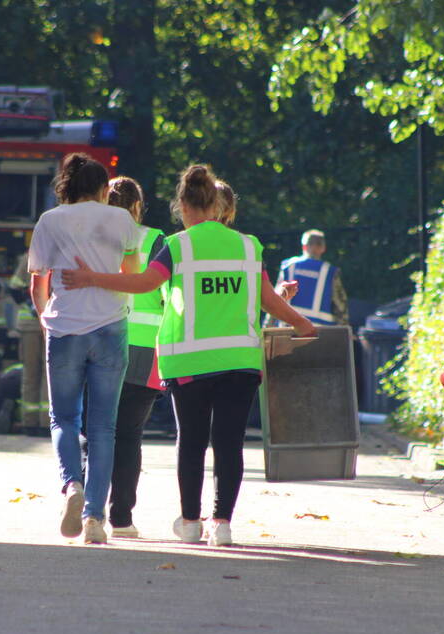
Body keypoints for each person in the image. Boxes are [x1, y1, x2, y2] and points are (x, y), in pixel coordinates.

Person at [62, 165, 316, 547]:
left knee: (192, 442)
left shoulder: (177, 245)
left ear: (181, 205)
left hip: (190, 362)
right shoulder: (249, 245)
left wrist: (92, 279)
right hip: (240, 361)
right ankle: (224, 524)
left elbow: (144, 283)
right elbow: (266, 298)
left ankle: (192, 521)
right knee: (230, 443)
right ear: (216, 205)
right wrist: (302, 324)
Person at [28, 152, 140, 545]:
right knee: (103, 427)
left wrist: (46, 320)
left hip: (65, 329)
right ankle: (95, 519)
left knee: (63, 419)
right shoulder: (121, 219)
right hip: (111, 327)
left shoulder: (49, 220)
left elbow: (37, 284)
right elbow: (132, 276)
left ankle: (71, 485)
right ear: (102, 189)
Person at [104, 176, 165, 538]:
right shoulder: (156, 240)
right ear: (138, 207)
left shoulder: (92, 237)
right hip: (144, 347)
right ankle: (122, 519)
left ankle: (88, 505)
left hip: (100, 341)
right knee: (129, 435)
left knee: (95, 432)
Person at [273, 229, 348, 326]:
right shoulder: (330, 271)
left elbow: (275, 299)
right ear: (323, 248)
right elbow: (341, 306)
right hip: (318, 331)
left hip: (288, 328)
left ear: (304, 246)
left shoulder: (288, 267)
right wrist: (344, 329)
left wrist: (266, 327)